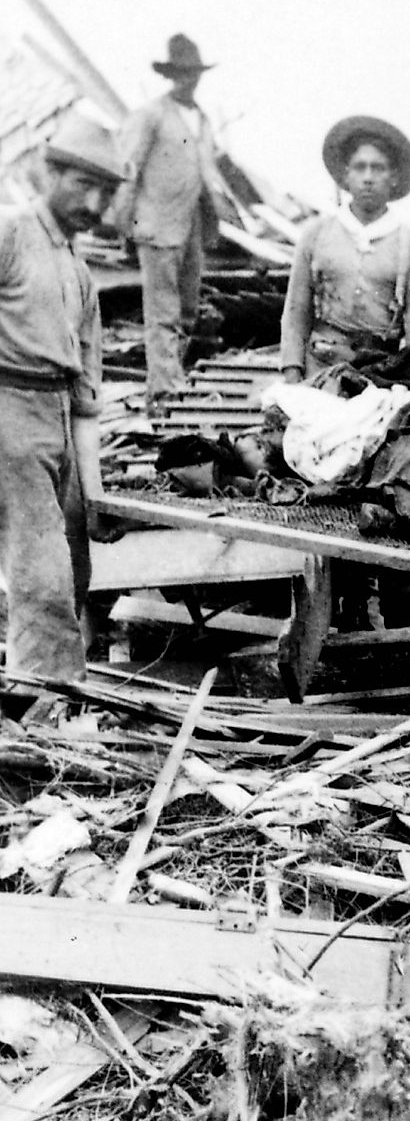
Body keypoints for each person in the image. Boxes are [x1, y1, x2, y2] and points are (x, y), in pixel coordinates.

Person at [279, 116, 410, 629]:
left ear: (394, 179)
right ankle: (345, 603)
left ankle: (400, 604)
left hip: (382, 377)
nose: (368, 177)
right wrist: (293, 371)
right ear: (344, 177)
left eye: (379, 168)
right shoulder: (317, 235)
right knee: (331, 483)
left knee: (386, 481)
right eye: (359, 167)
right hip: (326, 373)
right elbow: (296, 308)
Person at [0, 113, 124, 703]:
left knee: (74, 563)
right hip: (8, 413)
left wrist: (92, 491)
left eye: (107, 192)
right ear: (51, 173)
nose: (95, 202)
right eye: (83, 184)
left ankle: (49, 695)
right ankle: (44, 711)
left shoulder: (80, 274)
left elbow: (87, 397)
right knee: (41, 571)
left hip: (57, 424)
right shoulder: (10, 235)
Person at [115, 34, 226, 406]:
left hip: (191, 224)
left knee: (188, 311)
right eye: (180, 73)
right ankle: (165, 391)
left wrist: (216, 219)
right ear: (169, 76)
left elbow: (207, 173)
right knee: (162, 312)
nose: (187, 80)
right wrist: (124, 227)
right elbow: (127, 171)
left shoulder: (203, 119)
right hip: (156, 225)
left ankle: (168, 384)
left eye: (192, 73)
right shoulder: (151, 115)